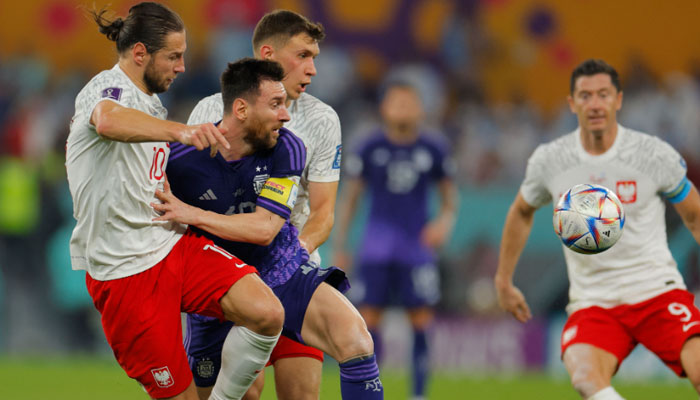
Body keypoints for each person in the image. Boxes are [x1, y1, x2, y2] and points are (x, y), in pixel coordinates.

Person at [65, 4, 285, 399]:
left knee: (266, 313)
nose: (182, 66)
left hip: (172, 248)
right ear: (139, 54)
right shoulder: (105, 89)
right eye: (173, 56)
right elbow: (108, 121)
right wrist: (181, 132)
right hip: (125, 273)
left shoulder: (150, 104)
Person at [156, 57, 384, 400]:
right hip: (215, 285)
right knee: (237, 394)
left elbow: (265, 229)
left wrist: (192, 214)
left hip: (278, 268)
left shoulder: (287, 147)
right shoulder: (181, 158)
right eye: (275, 104)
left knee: (355, 339)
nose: (286, 115)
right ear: (242, 109)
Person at [495, 58, 700, 400]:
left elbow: (694, 215)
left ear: (618, 100)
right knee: (586, 379)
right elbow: (520, 211)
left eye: (603, 94)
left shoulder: (651, 155)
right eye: (585, 95)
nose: (594, 104)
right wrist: (503, 280)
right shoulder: (551, 160)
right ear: (572, 103)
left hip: (656, 293)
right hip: (594, 303)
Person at [184, 10, 341, 400]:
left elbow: (323, 213)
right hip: (227, 280)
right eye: (303, 55)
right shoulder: (208, 112)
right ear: (268, 53)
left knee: (301, 395)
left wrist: (289, 259)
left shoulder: (323, 120)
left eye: (315, 57)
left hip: (290, 273)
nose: (313, 69)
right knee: (243, 394)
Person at [333, 81, 458, 400]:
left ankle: (418, 395)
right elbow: (351, 199)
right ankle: (373, 391)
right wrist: (341, 245)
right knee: (368, 322)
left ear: (421, 108)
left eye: (409, 102)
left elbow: (448, 198)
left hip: (416, 249)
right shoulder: (369, 146)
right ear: (384, 109)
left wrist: (443, 224)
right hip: (376, 247)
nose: (403, 108)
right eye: (396, 102)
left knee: (421, 320)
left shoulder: (433, 147)